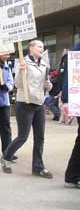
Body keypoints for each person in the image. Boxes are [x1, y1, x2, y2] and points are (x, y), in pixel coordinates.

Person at [1, 40, 53, 178]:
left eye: (43, 46)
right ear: (31, 48)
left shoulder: (44, 63)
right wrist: (20, 72)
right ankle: (6, 157)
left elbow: (47, 84)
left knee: (40, 137)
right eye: (39, 46)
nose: (42, 48)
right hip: (25, 103)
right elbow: (17, 84)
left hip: (39, 103)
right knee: (23, 136)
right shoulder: (23, 62)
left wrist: (49, 85)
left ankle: (38, 166)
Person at [62, 42, 80, 189]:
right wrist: (67, 100)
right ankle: (73, 175)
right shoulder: (78, 48)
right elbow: (71, 71)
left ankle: (72, 175)